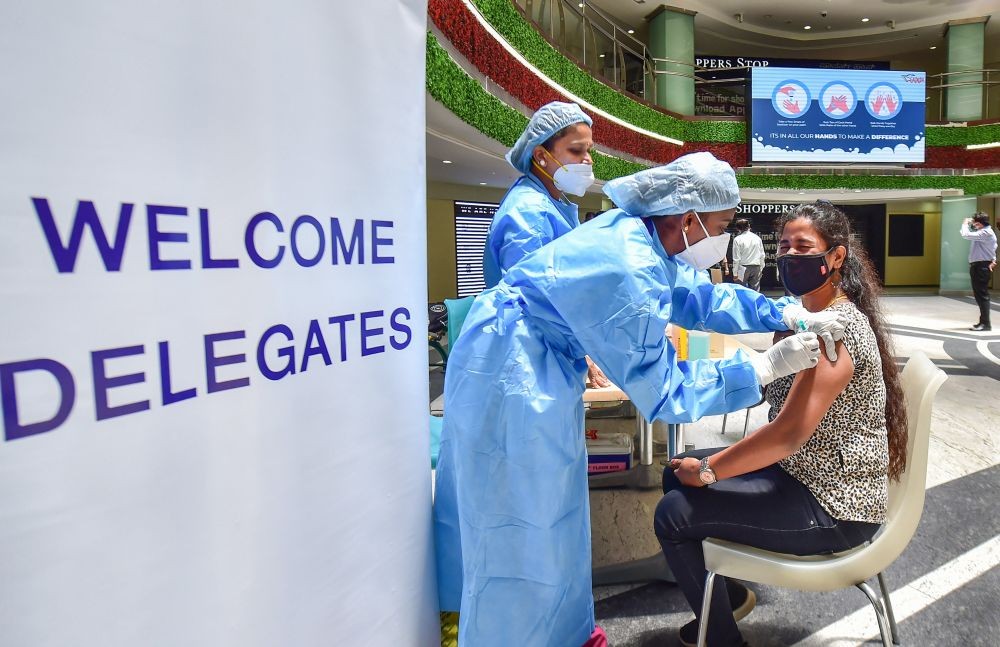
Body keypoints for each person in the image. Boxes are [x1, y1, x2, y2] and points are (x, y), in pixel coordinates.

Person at [433, 153, 850, 647]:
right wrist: (761, 367)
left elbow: (703, 298)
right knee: (519, 524)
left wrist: (786, 313)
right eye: (720, 226)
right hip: (510, 371)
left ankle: (562, 635)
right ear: (687, 216)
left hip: (535, 363)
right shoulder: (631, 265)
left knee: (555, 518)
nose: (721, 239)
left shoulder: (649, 242)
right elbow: (665, 390)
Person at [654, 201, 907, 647]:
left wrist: (712, 469)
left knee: (673, 513)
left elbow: (789, 433)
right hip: (804, 475)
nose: (790, 256)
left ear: (836, 257)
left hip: (834, 506)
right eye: (785, 246)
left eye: (804, 246)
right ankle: (724, 598)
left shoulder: (835, 328)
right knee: (673, 472)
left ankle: (721, 637)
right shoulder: (803, 315)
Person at [482, 100, 610, 386]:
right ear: (541, 155)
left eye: (589, 150)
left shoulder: (552, 205)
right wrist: (586, 349)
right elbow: (536, 307)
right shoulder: (530, 214)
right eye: (577, 150)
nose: (587, 160)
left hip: (547, 356)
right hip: (529, 362)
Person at [960, 212, 997, 331]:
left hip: (982, 267)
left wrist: (965, 223)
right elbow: (992, 248)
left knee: (982, 296)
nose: (973, 224)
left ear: (980, 223)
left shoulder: (986, 232)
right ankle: (983, 322)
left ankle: (986, 324)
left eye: (975, 222)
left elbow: (965, 234)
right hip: (978, 266)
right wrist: (993, 258)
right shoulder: (982, 232)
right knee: (979, 296)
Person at [731, 217, 765, 291]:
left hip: (742, 267)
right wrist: (761, 268)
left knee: (741, 290)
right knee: (755, 291)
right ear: (749, 226)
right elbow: (762, 255)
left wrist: (735, 273)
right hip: (756, 266)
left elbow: (736, 258)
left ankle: (742, 303)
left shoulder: (737, 239)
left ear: (738, 229)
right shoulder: (757, 238)